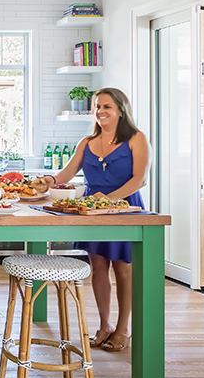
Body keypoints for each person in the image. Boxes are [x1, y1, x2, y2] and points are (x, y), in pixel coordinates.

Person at [43, 87, 149, 353]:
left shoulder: (136, 139)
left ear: (121, 110)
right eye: (97, 107)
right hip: (91, 210)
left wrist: (110, 198)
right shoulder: (87, 142)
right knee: (98, 266)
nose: (100, 112)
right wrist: (50, 182)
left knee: (123, 269)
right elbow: (67, 173)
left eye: (106, 107)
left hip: (124, 208)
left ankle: (123, 329)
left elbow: (140, 179)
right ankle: (104, 326)